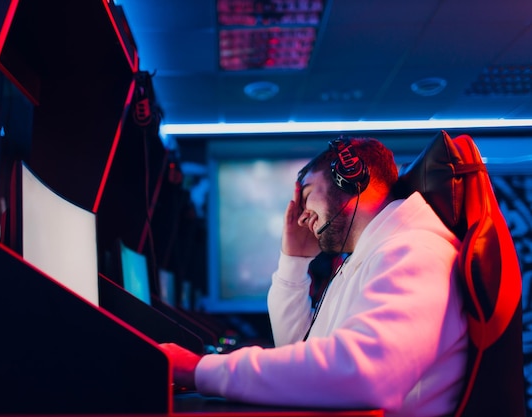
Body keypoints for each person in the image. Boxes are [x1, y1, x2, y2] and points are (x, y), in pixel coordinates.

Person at [160, 136, 468, 417]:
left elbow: (363, 374)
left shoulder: (414, 251)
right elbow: (298, 350)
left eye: (307, 195)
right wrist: (293, 261)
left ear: (351, 179)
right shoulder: (369, 257)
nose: (302, 215)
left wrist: (200, 369)